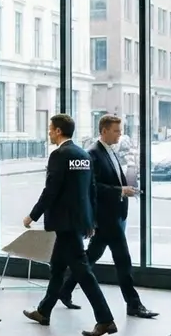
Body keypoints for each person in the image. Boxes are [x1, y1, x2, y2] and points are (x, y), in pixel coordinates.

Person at [22, 114, 117, 336]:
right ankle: (44, 311)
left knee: (82, 272)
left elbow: (51, 190)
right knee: (57, 268)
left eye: (50, 129)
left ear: (57, 131)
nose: (48, 132)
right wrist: (91, 220)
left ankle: (105, 319)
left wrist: (32, 216)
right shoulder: (83, 155)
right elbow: (91, 190)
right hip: (77, 221)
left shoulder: (59, 155)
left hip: (64, 224)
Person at [58, 115, 158, 319]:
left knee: (89, 258)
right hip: (107, 218)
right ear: (104, 131)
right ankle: (133, 304)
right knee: (123, 261)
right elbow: (92, 187)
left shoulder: (110, 151)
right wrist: (120, 191)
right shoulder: (93, 154)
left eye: (120, 131)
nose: (120, 135)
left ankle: (65, 289)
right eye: (116, 131)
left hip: (113, 217)